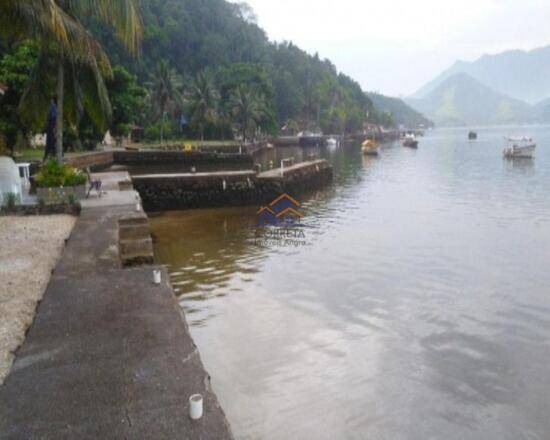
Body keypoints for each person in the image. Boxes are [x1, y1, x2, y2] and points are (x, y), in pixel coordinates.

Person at [43, 96, 57, 162]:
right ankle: (50, 155)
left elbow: (53, 116)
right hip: (52, 123)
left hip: (52, 123)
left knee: (51, 140)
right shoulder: (54, 106)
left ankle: (49, 155)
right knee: (51, 140)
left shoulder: (53, 106)